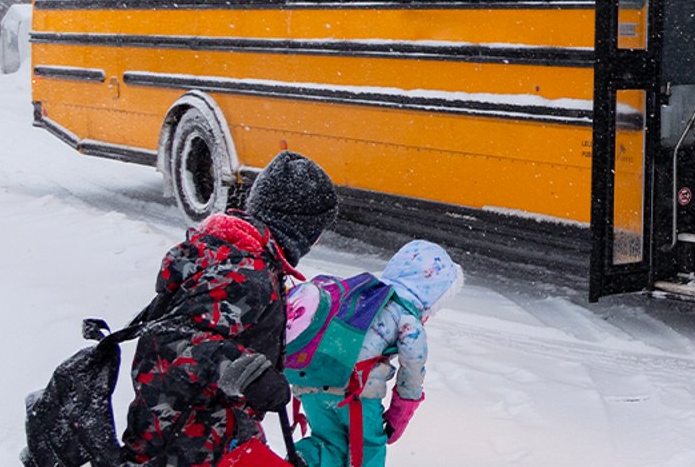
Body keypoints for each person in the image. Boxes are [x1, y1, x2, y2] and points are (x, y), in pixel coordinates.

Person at [120, 151, 340, 466]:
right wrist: (248, 372)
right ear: (301, 228)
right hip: (183, 444)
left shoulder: (228, 252)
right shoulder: (247, 275)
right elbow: (166, 345)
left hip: (207, 433)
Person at [292, 240, 464, 467]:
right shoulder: (406, 316)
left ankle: (300, 461)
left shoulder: (363, 292)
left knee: (328, 444)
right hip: (357, 394)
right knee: (368, 451)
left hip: (312, 382)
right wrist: (398, 418)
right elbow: (412, 368)